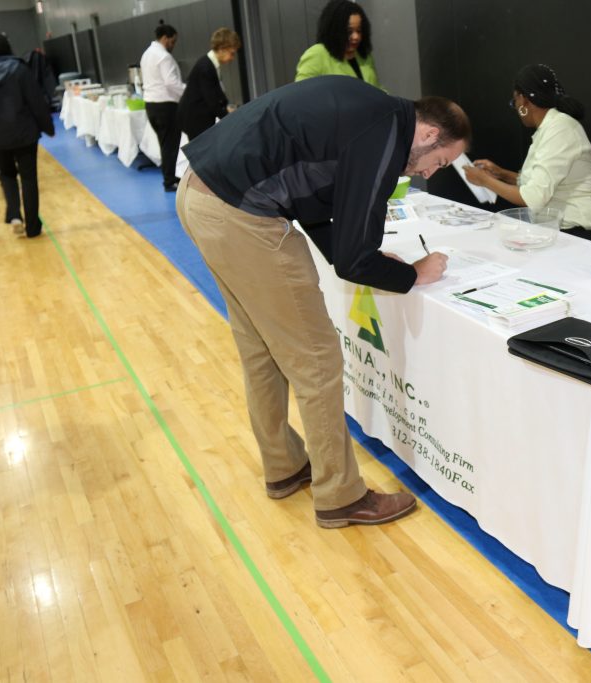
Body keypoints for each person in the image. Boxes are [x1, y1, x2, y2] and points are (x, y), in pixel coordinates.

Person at [176, 76, 470, 528]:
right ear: (429, 134)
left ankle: (285, 465)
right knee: (316, 359)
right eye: (440, 161)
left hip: (200, 195)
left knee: (261, 350)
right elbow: (352, 261)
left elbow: (311, 201)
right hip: (240, 214)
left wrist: (368, 258)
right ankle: (341, 496)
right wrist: (413, 274)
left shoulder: (369, 111)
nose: (430, 174)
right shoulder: (384, 132)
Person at [463, 64, 591, 241]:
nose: (517, 109)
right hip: (556, 226)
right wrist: (500, 174)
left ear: (522, 100)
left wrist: (484, 180)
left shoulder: (561, 129)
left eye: (514, 102)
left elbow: (532, 198)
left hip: (580, 231)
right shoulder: (551, 127)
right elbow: (535, 184)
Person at [0, 32, 54, 238]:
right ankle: (33, 227)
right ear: (7, 47)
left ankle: (14, 214)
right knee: (29, 178)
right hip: (24, 133)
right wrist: (47, 127)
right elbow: (36, 100)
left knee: (6, 175)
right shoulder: (20, 69)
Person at [140, 21, 185, 191]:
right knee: (170, 145)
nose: (173, 45)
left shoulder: (146, 54)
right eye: (173, 41)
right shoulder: (164, 56)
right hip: (165, 106)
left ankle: (169, 177)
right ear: (165, 38)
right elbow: (171, 83)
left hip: (151, 105)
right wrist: (188, 92)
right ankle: (170, 180)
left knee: (164, 144)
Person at [295, 0, 381, 89]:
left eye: (359, 31)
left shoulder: (364, 56)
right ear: (334, 30)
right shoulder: (317, 55)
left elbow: (377, 89)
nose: (356, 37)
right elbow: (302, 93)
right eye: (349, 31)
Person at [177, 27, 241, 141]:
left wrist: (227, 107)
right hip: (195, 118)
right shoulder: (206, 67)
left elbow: (217, 92)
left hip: (199, 115)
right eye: (231, 53)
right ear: (221, 49)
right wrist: (227, 116)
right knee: (202, 149)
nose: (232, 58)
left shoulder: (211, 64)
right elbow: (212, 100)